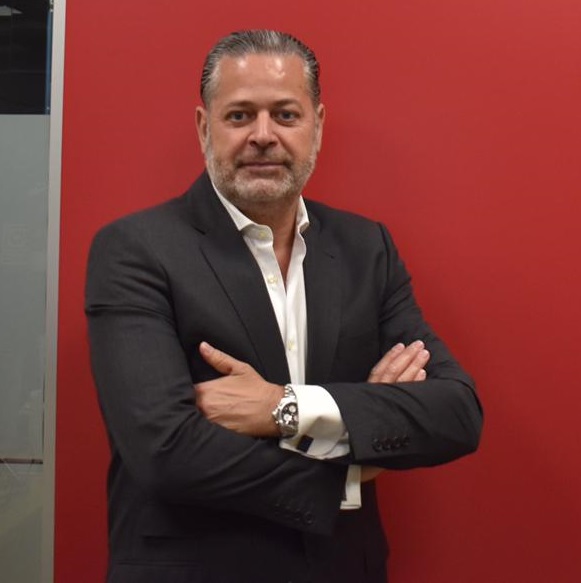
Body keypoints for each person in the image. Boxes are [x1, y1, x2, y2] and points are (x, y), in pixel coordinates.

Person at [86, 29, 483, 583]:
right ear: (204, 127)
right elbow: (165, 451)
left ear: (317, 124)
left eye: (285, 115)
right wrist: (351, 465)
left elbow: (456, 412)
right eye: (239, 116)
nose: (263, 135)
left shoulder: (367, 248)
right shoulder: (135, 249)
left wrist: (283, 407)